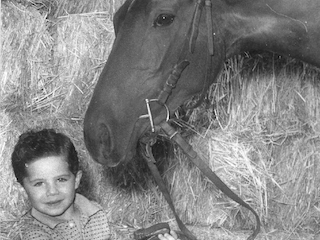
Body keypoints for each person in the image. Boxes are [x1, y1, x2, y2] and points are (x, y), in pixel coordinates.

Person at [11, 128, 180, 240]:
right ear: (22, 189)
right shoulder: (31, 233)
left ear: (76, 180)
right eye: (39, 184)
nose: (52, 191)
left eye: (61, 180)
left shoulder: (93, 212)